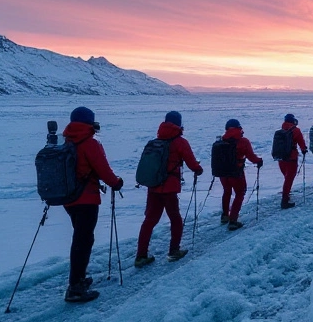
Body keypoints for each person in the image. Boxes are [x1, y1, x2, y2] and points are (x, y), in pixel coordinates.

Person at [60, 106, 124, 303]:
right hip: (86, 199)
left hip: (69, 199)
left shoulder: (67, 142)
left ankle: (78, 279)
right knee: (83, 241)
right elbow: (103, 170)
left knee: (80, 239)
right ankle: (75, 287)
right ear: (90, 122)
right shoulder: (90, 144)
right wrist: (116, 182)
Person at [135, 111, 202, 266]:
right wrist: (198, 169)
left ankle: (141, 255)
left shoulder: (156, 141)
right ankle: (174, 251)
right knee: (175, 219)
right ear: (179, 124)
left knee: (150, 220)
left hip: (153, 186)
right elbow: (191, 163)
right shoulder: (180, 142)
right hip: (169, 188)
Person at [217, 118, 263, 230]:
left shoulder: (221, 141)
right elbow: (251, 156)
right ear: (239, 128)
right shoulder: (243, 141)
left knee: (227, 191)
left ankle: (225, 215)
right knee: (240, 193)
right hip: (236, 172)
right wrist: (258, 161)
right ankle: (233, 220)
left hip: (223, 173)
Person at [277, 113, 308, 209]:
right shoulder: (296, 130)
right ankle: (285, 200)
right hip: (291, 158)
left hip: (281, 158)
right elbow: (301, 143)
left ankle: (286, 194)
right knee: (289, 179)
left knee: (286, 177)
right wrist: (304, 149)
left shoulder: (281, 131)